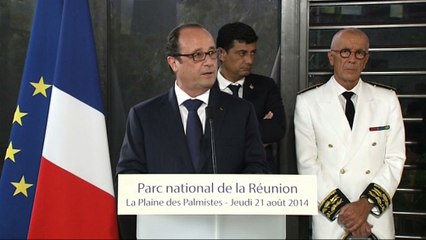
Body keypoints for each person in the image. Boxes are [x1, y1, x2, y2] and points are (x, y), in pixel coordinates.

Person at [294, 28, 406, 239]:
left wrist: (365, 206)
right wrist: (348, 215)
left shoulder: (387, 100)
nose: (352, 59)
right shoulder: (308, 103)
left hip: (375, 218)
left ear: (366, 60)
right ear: (331, 57)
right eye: (345, 52)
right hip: (334, 221)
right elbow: (308, 164)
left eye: (359, 53)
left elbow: (395, 159)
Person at [117, 23, 270, 175]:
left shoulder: (241, 112)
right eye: (198, 55)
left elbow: (257, 169)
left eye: (211, 53)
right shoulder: (144, 116)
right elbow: (128, 177)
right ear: (174, 63)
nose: (209, 62)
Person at [214, 22, 286, 173]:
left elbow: (277, 128)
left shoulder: (265, 86)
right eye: (242, 53)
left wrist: (226, 135)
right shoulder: (205, 89)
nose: (249, 60)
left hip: (260, 177)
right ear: (221, 54)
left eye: (252, 53)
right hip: (218, 180)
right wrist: (254, 132)